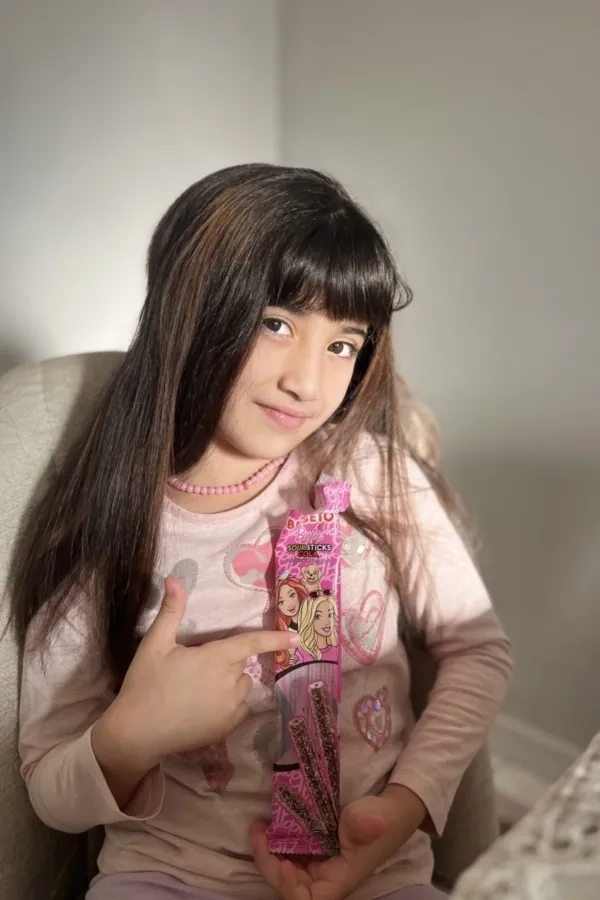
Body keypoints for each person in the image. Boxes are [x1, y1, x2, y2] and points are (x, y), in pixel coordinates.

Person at [12, 164, 513, 900]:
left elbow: (479, 649)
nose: (307, 383)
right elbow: (48, 788)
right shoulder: (108, 525)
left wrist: (402, 810)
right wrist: (133, 734)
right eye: (276, 324)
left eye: (342, 344)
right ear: (188, 309)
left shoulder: (375, 473)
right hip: (171, 875)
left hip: (377, 874)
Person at [275, 575, 308, 669]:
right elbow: (289, 662)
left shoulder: (313, 620)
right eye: (281, 602)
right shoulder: (286, 631)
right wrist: (293, 661)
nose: (289, 605)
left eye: (292, 595)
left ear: (298, 594)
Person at [294, 593, 339, 663]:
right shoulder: (302, 652)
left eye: (330, 615)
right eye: (318, 616)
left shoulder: (335, 651)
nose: (327, 622)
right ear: (308, 619)